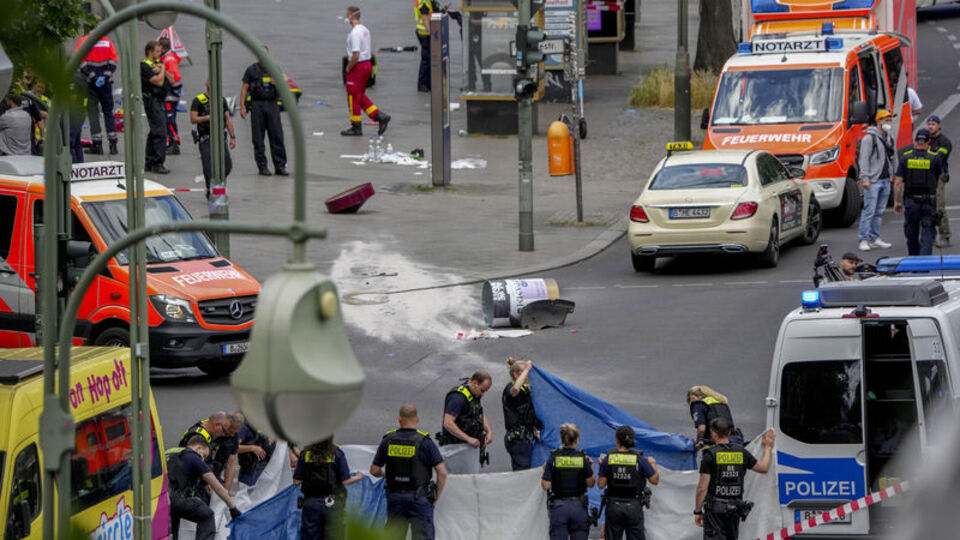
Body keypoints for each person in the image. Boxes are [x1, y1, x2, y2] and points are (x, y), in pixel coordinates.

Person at [370, 404, 447, 540]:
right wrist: (435, 497)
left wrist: (387, 475)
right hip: (419, 498)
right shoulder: (425, 442)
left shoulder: (388, 440)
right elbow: (442, 472)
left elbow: (374, 470)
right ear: (417, 419)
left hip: (395, 498)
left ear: (399, 418)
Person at [694, 419, 775, 540]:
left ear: (713, 433)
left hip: (715, 511)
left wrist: (698, 511)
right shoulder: (741, 452)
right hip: (735, 510)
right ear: (730, 432)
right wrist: (768, 447)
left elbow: (702, 488)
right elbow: (763, 468)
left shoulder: (710, 455)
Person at [167, 435, 242, 540]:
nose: (202, 459)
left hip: (162, 498)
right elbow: (218, 487)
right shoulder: (193, 457)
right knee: (207, 515)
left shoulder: (170, 452)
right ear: (198, 448)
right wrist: (232, 507)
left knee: (173, 529)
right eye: (204, 455)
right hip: (176, 498)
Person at [293, 435, 364, 539]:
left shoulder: (305, 454)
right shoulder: (337, 454)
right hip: (333, 503)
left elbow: (296, 481)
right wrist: (359, 477)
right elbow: (346, 480)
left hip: (311, 503)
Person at [598, 425, 659, 540]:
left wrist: (602, 467)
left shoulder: (609, 459)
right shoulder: (639, 459)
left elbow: (601, 485)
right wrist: (653, 464)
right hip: (634, 507)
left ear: (617, 440)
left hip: (613, 507)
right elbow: (654, 480)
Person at [894, 128, 946, 256]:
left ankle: (914, 263)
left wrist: (897, 201)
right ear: (929, 141)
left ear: (915, 141)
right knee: (927, 234)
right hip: (929, 202)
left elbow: (898, 182)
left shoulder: (905, 157)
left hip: (911, 202)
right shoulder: (934, 158)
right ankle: (924, 268)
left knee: (911, 234)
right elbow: (941, 176)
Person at [340, 6, 391, 137]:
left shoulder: (355, 33)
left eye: (347, 14)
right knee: (359, 95)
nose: (346, 16)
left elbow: (355, 55)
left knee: (352, 96)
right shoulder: (365, 30)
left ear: (351, 15)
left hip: (358, 66)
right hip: (366, 64)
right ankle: (380, 116)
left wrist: (348, 67)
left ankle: (356, 127)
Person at [541, 423, 595, 540]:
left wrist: (549, 471)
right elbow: (591, 484)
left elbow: (545, 485)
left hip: (559, 507)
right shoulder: (582, 459)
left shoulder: (554, 458)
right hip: (579, 508)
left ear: (562, 439)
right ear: (577, 440)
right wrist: (591, 467)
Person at [240, 55, 288, 176]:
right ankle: (262, 167)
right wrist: (242, 107)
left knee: (277, 135)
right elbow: (244, 88)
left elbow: (284, 86)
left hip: (272, 104)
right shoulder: (251, 70)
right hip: (257, 105)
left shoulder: (275, 69)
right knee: (258, 138)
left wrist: (277, 83)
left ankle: (280, 166)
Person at [857, 110, 896, 252]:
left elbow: (893, 155)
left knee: (879, 211)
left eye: (890, 120)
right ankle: (863, 239)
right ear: (878, 121)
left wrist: (895, 174)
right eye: (886, 120)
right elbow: (864, 159)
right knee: (869, 211)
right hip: (873, 181)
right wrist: (865, 178)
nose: (888, 123)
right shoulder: (869, 139)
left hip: (885, 179)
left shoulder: (889, 137)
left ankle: (874, 238)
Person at [75, 34, 119, 155]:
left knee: (93, 113)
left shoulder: (83, 41)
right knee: (108, 112)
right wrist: (105, 76)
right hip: (106, 84)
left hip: (90, 84)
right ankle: (113, 144)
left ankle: (97, 145)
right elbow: (113, 61)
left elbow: (81, 62)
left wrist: (93, 77)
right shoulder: (107, 42)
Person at [190, 81, 236, 196]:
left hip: (220, 137)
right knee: (208, 166)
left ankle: (218, 182)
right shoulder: (198, 100)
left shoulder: (221, 100)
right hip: (205, 137)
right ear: (206, 84)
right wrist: (208, 117)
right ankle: (210, 190)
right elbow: (193, 119)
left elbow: (227, 118)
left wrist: (232, 137)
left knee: (227, 164)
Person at [502, 358, 543, 471]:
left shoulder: (526, 391)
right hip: (518, 440)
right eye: (526, 373)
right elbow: (515, 390)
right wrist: (526, 369)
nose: (528, 375)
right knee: (523, 472)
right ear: (516, 375)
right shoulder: (510, 388)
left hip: (527, 438)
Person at [438, 371, 494, 452]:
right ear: (475, 383)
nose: (483, 394)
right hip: (454, 447)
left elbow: (479, 414)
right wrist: (468, 439)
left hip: (468, 446)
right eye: (482, 390)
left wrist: (489, 431)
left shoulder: (474, 394)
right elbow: (448, 423)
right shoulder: (457, 398)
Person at [141, 40, 169, 174]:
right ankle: (158, 162)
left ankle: (149, 161)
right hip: (152, 101)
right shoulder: (145, 66)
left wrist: (162, 69)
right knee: (160, 132)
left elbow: (172, 79)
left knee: (154, 131)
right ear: (150, 52)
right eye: (157, 51)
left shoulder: (157, 64)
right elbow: (159, 82)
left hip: (159, 100)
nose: (160, 53)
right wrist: (162, 69)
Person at [927, 115, 953, 248]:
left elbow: (938, 158)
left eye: (933, 124)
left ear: (939, 126)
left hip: (938, 177)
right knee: (926, 207)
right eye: (929, 124)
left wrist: (925, 152)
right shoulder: (925, 139)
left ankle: (945, 236)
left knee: (939, 207)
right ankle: (929, 235)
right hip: (925, 178)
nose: (931, 126)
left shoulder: (944, 142)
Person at [159, 37, 184, 155]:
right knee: (167, 120)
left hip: (170, 96)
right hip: (169, 94)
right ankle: (171, 142)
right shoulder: (167, 58)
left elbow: (175, 79)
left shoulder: (169, 60)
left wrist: (174, 91)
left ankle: (174, 144)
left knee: (169, 120)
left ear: (163, 48)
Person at [415, 0, 439, 92]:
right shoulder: (424, 2)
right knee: (426, 59)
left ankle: (427, 83)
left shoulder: (430, 1)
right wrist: (431, 33)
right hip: (425, 34)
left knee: (429, 59)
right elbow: (425, 18)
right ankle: (422, 84)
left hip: (427, 34)